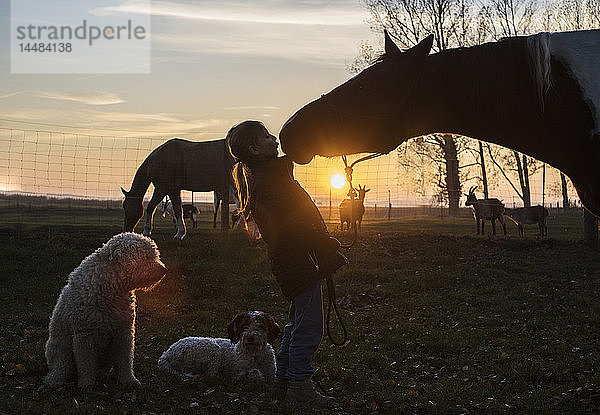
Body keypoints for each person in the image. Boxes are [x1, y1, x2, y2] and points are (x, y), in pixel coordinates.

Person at [226, 120, 347, 407]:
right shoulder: (269, 184)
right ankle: (300, 386)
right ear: (255, 149)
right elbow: (293, 227)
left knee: (297, 323)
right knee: (309, 327)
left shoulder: (269, 177)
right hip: (301, 261)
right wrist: (322, 243)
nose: (274, 139)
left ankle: (283, 380)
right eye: (267, 137)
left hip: (296, 262)